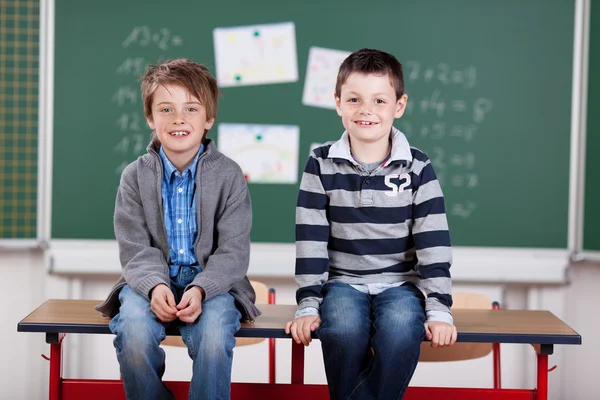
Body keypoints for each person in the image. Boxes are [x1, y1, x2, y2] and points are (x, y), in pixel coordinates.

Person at [285, 48, 457, 399]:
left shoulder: (418, 167)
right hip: (342, 283)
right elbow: (311, 240)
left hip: (399, 284)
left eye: (380, 100)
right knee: (343, 332)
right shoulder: (320, 164)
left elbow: (433, 241)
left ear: (399, 105)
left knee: (400, 332)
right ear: (338, 103)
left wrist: (439, 307)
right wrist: (308, 303)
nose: (366, 110)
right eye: (354, 99)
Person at [95, 58, 258, 400]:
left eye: (191, 109)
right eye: (166, 109)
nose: (179, 119)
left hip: (212, 286)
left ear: (209, 118)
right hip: (149, 283)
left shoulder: (229, 176)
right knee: (134, 330)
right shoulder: (134, 177)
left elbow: (233, 250)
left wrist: (200, 288)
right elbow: (134, 246)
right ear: (150, 118)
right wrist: (154, 287)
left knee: (214, 334)